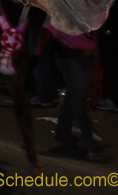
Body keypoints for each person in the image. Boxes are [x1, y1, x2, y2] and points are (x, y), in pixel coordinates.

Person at [49, 22, 103, 161]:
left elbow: (92, 32)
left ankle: (63, 129)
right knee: (78, 96)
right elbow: (48, 30)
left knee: (74, 92)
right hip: (70, 54)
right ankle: (87, 136)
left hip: (82, 54)